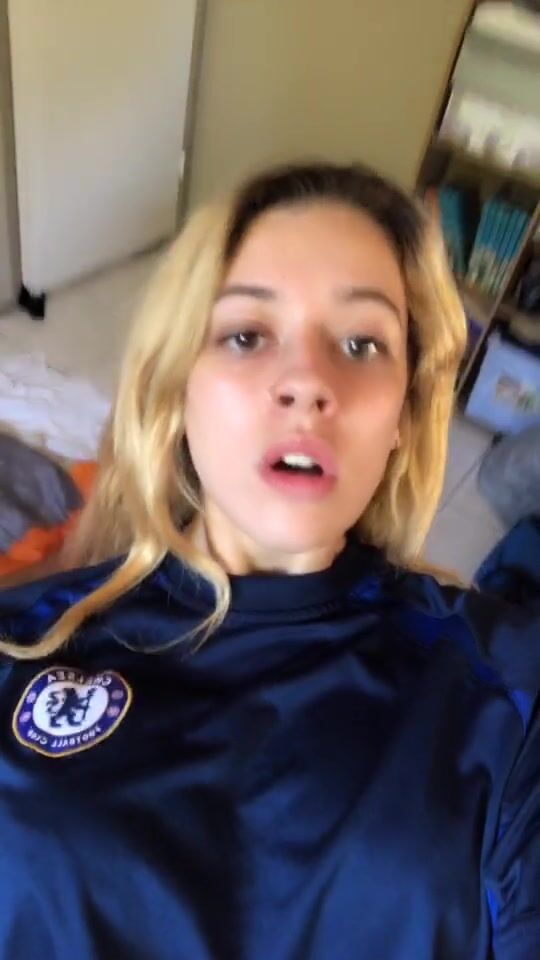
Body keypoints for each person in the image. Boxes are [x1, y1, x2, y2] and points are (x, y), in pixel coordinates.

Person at [0, 162, 538, 960]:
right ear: (178, 384)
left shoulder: (510, 692)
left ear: (401, 414)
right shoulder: (21, 642)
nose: (307, 383)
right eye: (247, 335)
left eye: (361, 344)